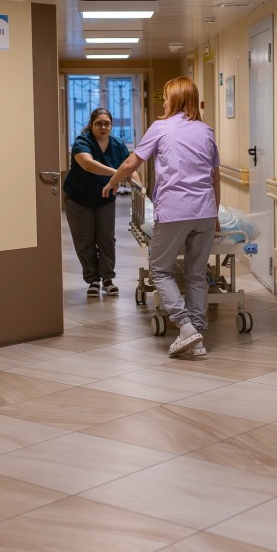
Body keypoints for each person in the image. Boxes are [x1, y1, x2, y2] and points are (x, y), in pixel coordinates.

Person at [104, 77, 220, 357]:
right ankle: (197, 338)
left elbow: (131, 163)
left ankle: (185, 326)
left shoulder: (161, 128)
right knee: (196, 274)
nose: (164, 102)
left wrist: (112, 183)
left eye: (166, 97)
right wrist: (215, 213)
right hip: (204, 211)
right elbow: (215, 176)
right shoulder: (206, 131)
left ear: (176, 99)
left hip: (174, 211)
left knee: (160, 269)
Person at [62, 107, 131, 297]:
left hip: (104, 197)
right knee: (85, 239)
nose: (103, 127)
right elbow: (87, 164)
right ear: (91, 125)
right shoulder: (82, 142)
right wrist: (117, 174)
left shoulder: (117, 144)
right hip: (78, 197)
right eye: (98, 123)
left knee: (106, 237)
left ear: (111, 125)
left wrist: (141, 190)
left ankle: (108, 279)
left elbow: (129, 168)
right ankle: (93, 280)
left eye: (107, 124)